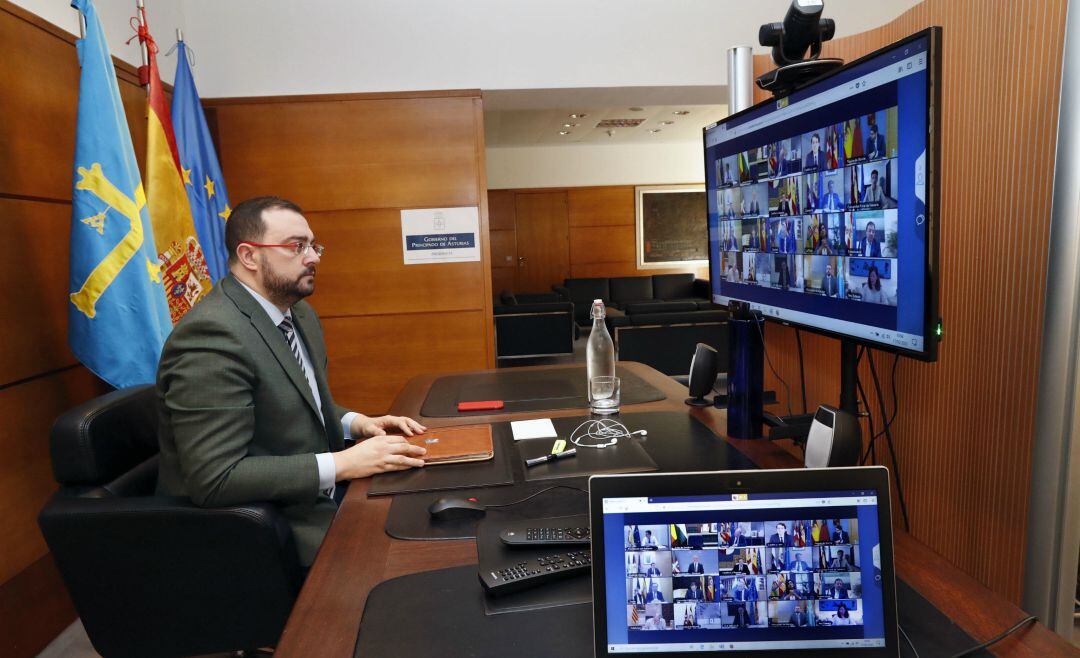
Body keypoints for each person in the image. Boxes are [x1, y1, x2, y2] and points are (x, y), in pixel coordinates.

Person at [155, 196, 428, 567]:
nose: (313, 257)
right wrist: (343, 464)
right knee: (413, 560)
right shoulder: (212, 336)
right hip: (271, 527)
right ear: (250, 256)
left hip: (319, 496)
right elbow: (215, 478)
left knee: (424, 505)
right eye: (297, 247)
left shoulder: (297, 313)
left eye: (314, 246)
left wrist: (356, 423)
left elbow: (290, 400)